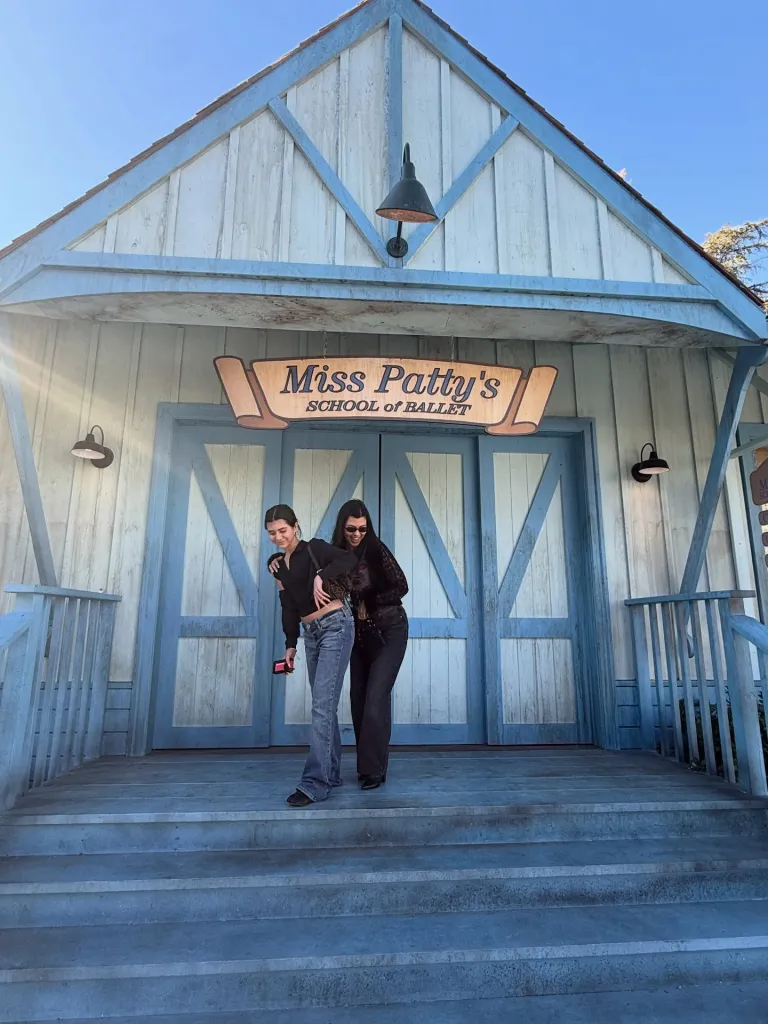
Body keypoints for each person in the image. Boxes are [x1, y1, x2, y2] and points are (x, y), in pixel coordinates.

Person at [265, 504, 356, 807]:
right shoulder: (279, 566)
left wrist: (322, 576)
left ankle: (314, 783)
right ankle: (330, 774)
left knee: (321, 704)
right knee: (323, 705)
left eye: (283, 530)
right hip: (311, 634)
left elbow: (349, 558)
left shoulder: (314, 548)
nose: (278, 537)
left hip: (335, 625)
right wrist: (290, 644)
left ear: (295, 526)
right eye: (272, 533)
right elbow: (288, 606)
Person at [331, 499, 409, 790]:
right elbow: (308, 565)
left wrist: (370, 599)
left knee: (376, 697)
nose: (357, 534)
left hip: (390, 630)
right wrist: (275, 560)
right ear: (342, 526)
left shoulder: (376, 550)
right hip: (357, 636)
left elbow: (401, 585)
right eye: (351, 528)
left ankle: (373, 770)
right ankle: (369, 768)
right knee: (359, 701)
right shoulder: (333, 555)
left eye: (363, 529)